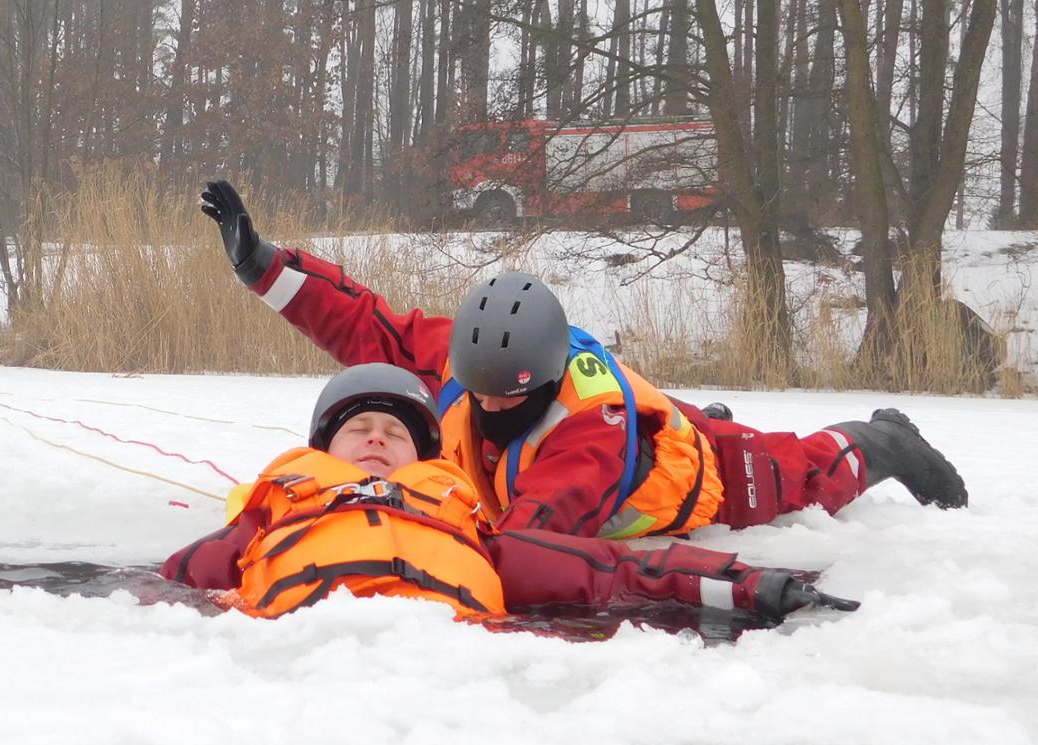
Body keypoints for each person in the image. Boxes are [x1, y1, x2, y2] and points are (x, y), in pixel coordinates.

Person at [197, 180, 968, 540]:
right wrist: (266, 267)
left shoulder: (581, 436)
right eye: (477, 393)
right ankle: (703, 420)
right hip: (643, 420)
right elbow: (375, 331)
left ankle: (886, 440)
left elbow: (534, 530)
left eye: (506, 400)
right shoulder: (473, 366)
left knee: (804, 474)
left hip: (696, 475)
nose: (487, 408)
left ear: (539, 381)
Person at [161, 363, 860, 622]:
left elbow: (618, 571)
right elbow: (172, 580)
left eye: (395, 434)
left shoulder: (474, 531)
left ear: (424, 459)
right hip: (300, 642)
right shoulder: (276, 508)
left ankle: (865, 444)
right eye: (360, 429)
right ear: (324, 450)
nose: (377, 439)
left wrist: (751, 587)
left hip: (452, 645)